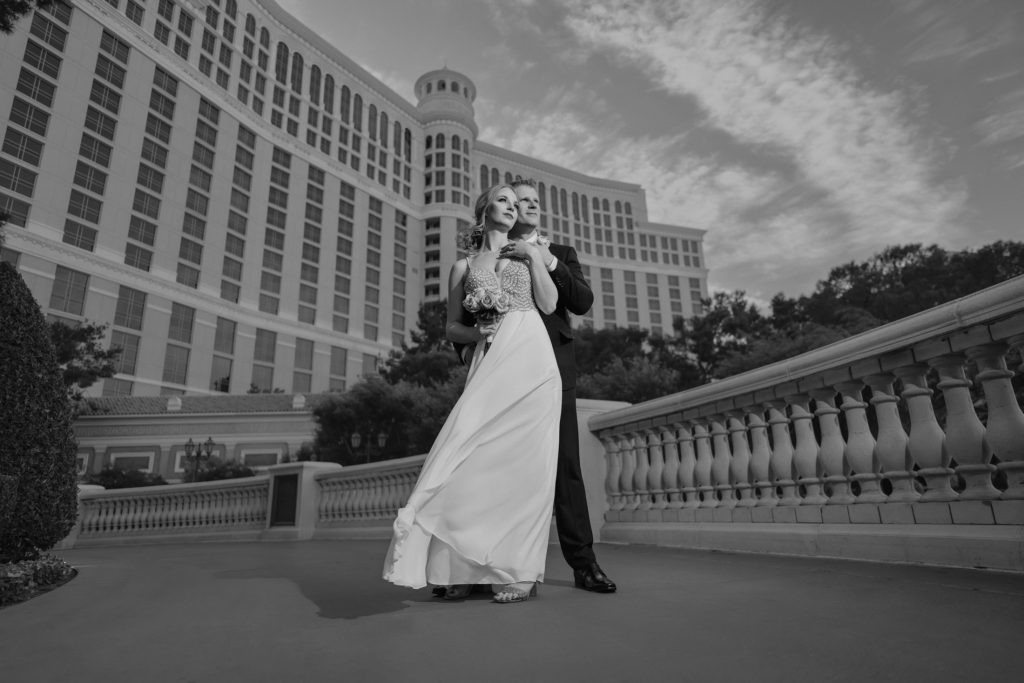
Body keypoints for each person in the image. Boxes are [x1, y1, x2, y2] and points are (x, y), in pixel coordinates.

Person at [382, 184, 562, 603]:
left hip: (532, 352)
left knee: (527, 465)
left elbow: (550, 306)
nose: (513, 207)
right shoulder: (464, 267)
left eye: (517, 205)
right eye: (504, 200)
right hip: (490, 357)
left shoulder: (526, 250)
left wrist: (535, 256)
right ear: (484, 209)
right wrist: (477, 330)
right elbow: (450, 328)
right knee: (469, 455)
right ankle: (459, 567)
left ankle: (520, 572)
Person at [454, 178, 617, 594]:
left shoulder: (559, 254)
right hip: (500, 371)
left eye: (530, 201)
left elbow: (580, 302)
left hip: (551, 372)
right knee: (487, 465)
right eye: (515, 200)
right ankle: (473, 565)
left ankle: (584, 564)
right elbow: (462, 324)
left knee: (565, 468)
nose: (526, 206)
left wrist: (541, 259)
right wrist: (475, 349)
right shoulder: (479, 261)